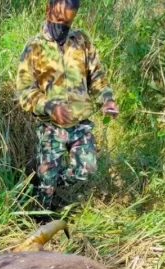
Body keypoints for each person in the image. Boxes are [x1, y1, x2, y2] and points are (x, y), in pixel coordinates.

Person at [16, 0, 119, 210]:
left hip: (79, 123)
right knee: (46, 184)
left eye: (68, 22)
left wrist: (106, 99)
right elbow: (24, 91)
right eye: (59, 20)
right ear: (48, 9)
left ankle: (48, 184)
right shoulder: (34, 47)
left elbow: (97, 76)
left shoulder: (81, 41)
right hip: (49, 125)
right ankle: (39, 215)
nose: (62, 26)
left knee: (86, 169)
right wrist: (50, 106)